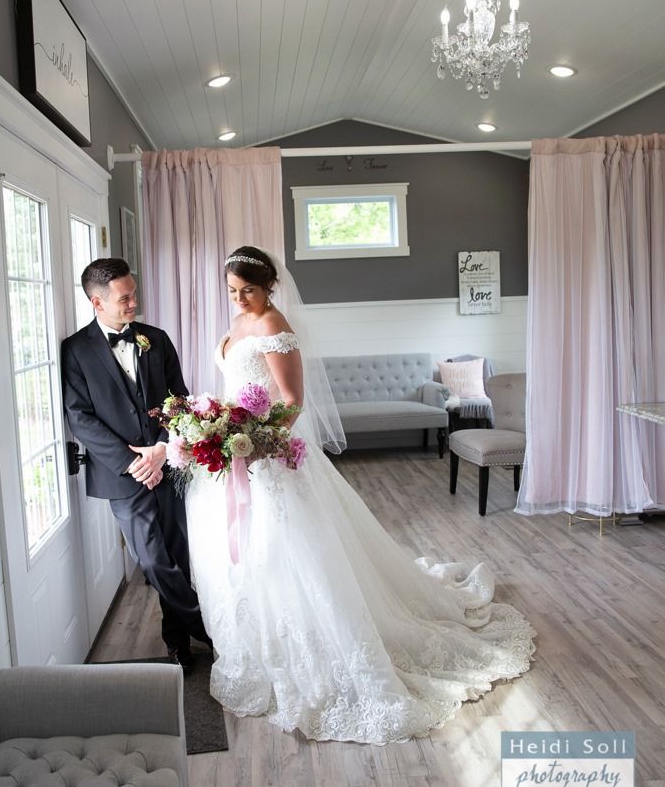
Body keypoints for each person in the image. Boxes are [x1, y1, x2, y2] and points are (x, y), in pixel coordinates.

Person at [186, 246, 536, 743]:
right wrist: (218, 426)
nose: (239, 299)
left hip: (270, 457)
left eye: (249, 291)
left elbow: (290, 402)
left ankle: (332, 644)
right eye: (232, 291)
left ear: (269, 288)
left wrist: (257, 440)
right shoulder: (239, 323)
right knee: (252, 557)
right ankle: (264, 646)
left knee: (299, 556)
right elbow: (235, 386)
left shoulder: (273, 327)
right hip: (237, 453)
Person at [61, 258, 211, 673]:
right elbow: (80, 417)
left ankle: (178, 642)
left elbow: (179, 398)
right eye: (125, 298)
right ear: (97, 301)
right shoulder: (74, 350)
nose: (134, 303)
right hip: (122, 475)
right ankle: (207, 626)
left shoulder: (156, 339)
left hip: (169, 464)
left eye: (133, 293)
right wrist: (133, 462)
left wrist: (163, 448)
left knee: (177, 555)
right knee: (151, 560)